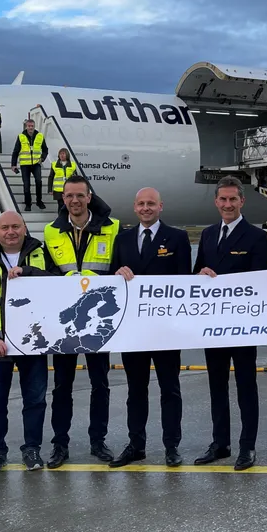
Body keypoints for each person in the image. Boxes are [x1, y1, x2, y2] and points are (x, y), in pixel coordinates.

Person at [0, 211, 55, 474]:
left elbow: (59, 286)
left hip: (34, 342)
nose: (11, 232)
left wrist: (28, 272)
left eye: (16, 226)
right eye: (5, 227)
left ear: (25, 228)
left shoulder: (42, 254)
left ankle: (32, 449)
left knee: (35, 400)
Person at [108, 187, 192, 468]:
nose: (146, 208)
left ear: (161, 206)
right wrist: (118, 273)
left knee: (170, 389)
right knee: (136, 390)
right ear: (135, 207)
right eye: (141, 204)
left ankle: (171, 446)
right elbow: (112, 279)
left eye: (151, 204)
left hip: (165, 328)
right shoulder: (123, 239)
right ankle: (136, 444)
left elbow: (184, 282)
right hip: (134, 329)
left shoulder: (178, 238)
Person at [193, 176, 267, 471]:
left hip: (242, 326)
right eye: (223, 200)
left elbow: (260, 281)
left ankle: (247, 446)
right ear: (216, 202)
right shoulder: (209, 234)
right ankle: (220, 443)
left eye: (232, 199)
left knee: (245, 387)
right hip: (213, 325)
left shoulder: (256, 237)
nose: (227, 204)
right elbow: (195, 272)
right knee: (216, 386)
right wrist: (200, 274)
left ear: (242, 201)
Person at [42, 175, 119, 467]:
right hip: (66, 323)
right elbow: (46, 271)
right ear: (63, 199)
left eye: (80, 195)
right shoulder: (51, 231)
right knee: (62, 386)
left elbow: (118, 264)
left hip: (99, 321)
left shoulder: (112, 229)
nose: (74, 201)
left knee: (100, 384)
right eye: (69, 196)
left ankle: (98, 441)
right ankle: (60, 444)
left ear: (89, 197)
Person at [11, 118, 48, 211]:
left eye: (32, 126)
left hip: (36, 163)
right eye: (29, 126)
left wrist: (42, 158)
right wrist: (13, 164)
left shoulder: (40, 136)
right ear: (26, 126)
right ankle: (28, 204)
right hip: (25, 165)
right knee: (26, 185)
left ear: (34, 126)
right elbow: (16, 151)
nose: (30, 128)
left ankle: (39, 201)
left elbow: (45, 150)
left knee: (39, 181)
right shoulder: (21, 136)